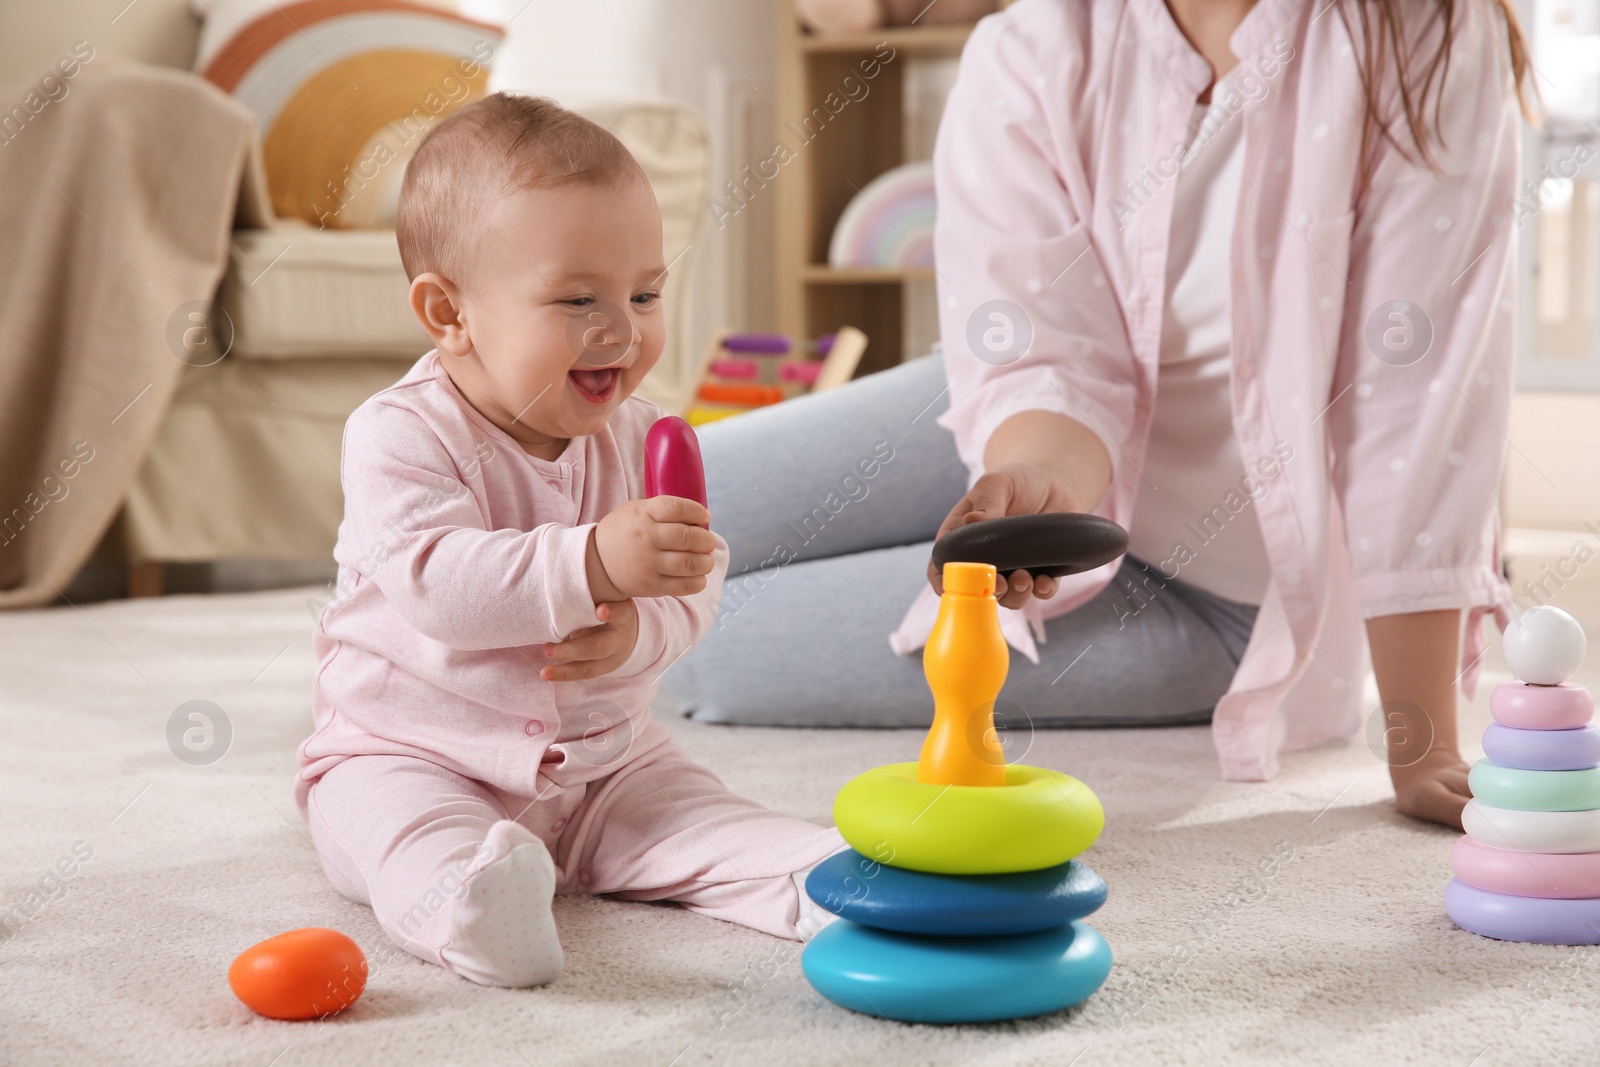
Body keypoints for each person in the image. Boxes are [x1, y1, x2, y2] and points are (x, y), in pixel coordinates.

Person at [663, 0, 1534, 832]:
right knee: (653, 497)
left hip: (1215, 598)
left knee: (697, 643)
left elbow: (1415, 404)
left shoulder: (1425, 36)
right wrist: (1039, 488)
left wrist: (1424, 746)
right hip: (1032, 433)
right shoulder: (1031, 49)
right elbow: (1046, 356)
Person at [294, 94, 845, 990]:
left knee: (694, 813)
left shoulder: (644, 436)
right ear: (449, 313)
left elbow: (697, 579)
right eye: (578, 298)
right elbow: (436, 585)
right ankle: (471, 905)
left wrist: (645, 628)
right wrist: (590, 561)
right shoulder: (399, 434)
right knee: (394, 829)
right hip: (414, 750)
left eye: (645, 293)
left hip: (605, 762)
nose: (622, 330)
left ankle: (813, 878)